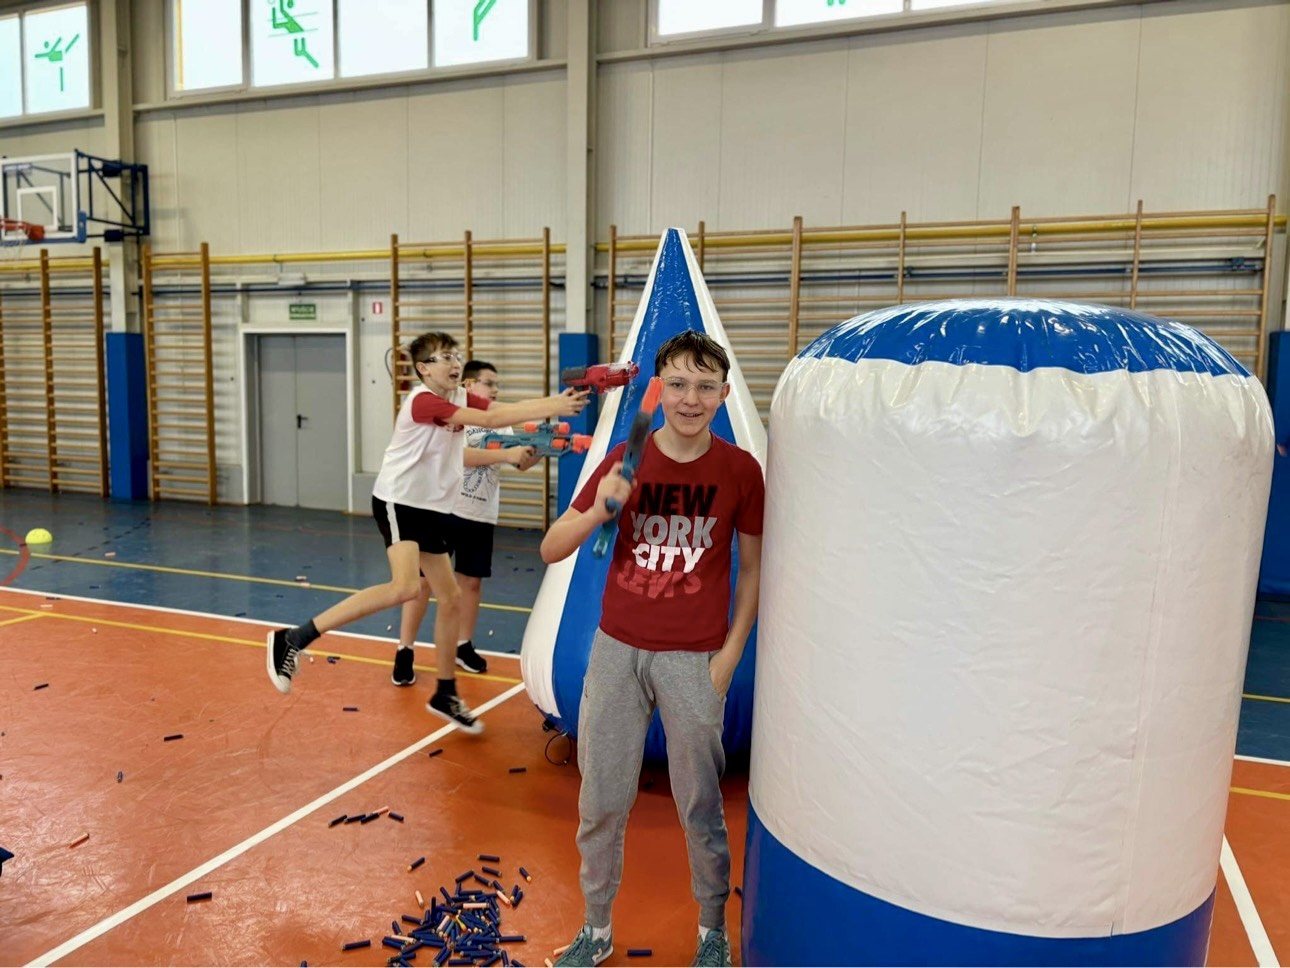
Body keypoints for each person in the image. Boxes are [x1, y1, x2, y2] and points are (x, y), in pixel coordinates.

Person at [540, 331, 764, 967]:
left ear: (723, 394)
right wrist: (598, 510)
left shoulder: (741, 471)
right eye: (678, 384)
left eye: (705, 387)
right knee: (600, 802)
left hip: (694, 660)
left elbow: (752, 572)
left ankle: (712, 932)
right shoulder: (625, 459)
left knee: (701, 808)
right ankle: (596, 931)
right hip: (616, 652)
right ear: (659, 389)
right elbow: (552, 547)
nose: (690, 399)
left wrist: (728, 658)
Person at [265, 331, 587, 734]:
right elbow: (490, 420)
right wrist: (557, 404)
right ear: (423, 368)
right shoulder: (423, 401)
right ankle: (293, 638)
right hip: (398, 502)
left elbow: (501, 409)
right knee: (404, 587)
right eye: (444, 357)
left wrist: (553, 406)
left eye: (456, 355)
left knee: (450, 597)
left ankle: (445, 692)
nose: (454, 362)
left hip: (430, 508)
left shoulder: (459, 396)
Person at [392, 358, 540, 682]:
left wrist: (540, 448)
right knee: (423, 582)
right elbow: (458, 456)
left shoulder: (500, 423)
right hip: (441, 510)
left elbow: (520, 463)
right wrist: (505, 454)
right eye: (490, 383)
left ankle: (463, 644)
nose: (496, 389)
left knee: (471, 583)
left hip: (480, 513)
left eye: (498, 384)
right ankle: (405, 649)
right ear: (469, 385)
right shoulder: (453, 414)